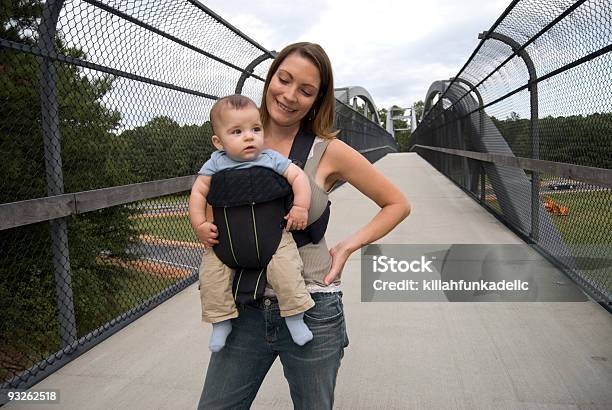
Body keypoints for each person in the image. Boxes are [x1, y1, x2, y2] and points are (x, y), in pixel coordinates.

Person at [197, 42, 410, 409]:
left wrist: (347, 246)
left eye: (306, 91)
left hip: (312, 307)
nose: (290, 95)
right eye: (284, 79)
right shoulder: (233, 140)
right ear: (271, 77)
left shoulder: (328, 150)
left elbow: (397, 204)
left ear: (317, 100)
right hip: (244, 308)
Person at [189, 94, 316, 352]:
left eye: (255, 129)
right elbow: (198, 194)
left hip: (273, 238)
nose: (249, 136)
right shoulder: (214, 164)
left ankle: (294, 318)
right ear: (218, 141)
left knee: (288, 270)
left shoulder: (270, 158)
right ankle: (220, 321)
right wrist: (200, 224)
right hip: (226, 243)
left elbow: (298, 177)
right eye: (237, 131)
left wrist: (300, 206)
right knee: (211, 277)